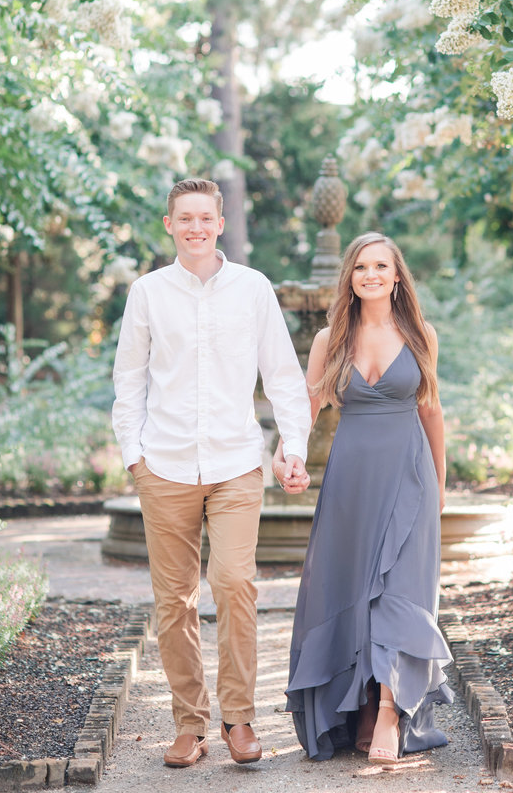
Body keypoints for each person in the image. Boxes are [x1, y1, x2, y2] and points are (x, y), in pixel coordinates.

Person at [112, 177, 311, 770]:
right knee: (173, 601)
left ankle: (239, 718)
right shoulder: (147, 293)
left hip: (235, 463)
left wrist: (291, 445)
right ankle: (189, 724)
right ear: (169, 225)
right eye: (185, 218)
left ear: (220, 224)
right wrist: (135, 458)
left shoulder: (254, 288)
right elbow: (130, 380)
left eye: (206, 218)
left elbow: (281, 374)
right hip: (164, 464)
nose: (196, 227)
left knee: (233, 584)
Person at [278, 231, 452, 768]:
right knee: (351, 591)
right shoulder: (330, 338)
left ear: (397, 276)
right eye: (360, 267)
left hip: (408, 473)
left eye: (381, 265)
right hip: (351, 481)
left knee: (401, 591)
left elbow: (432, 412)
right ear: (349, 278)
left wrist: (441, 485)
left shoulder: (421, 333)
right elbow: (305, 409)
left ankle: (390, 712)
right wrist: (291, 457)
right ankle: (359, 710)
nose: (370, 274)